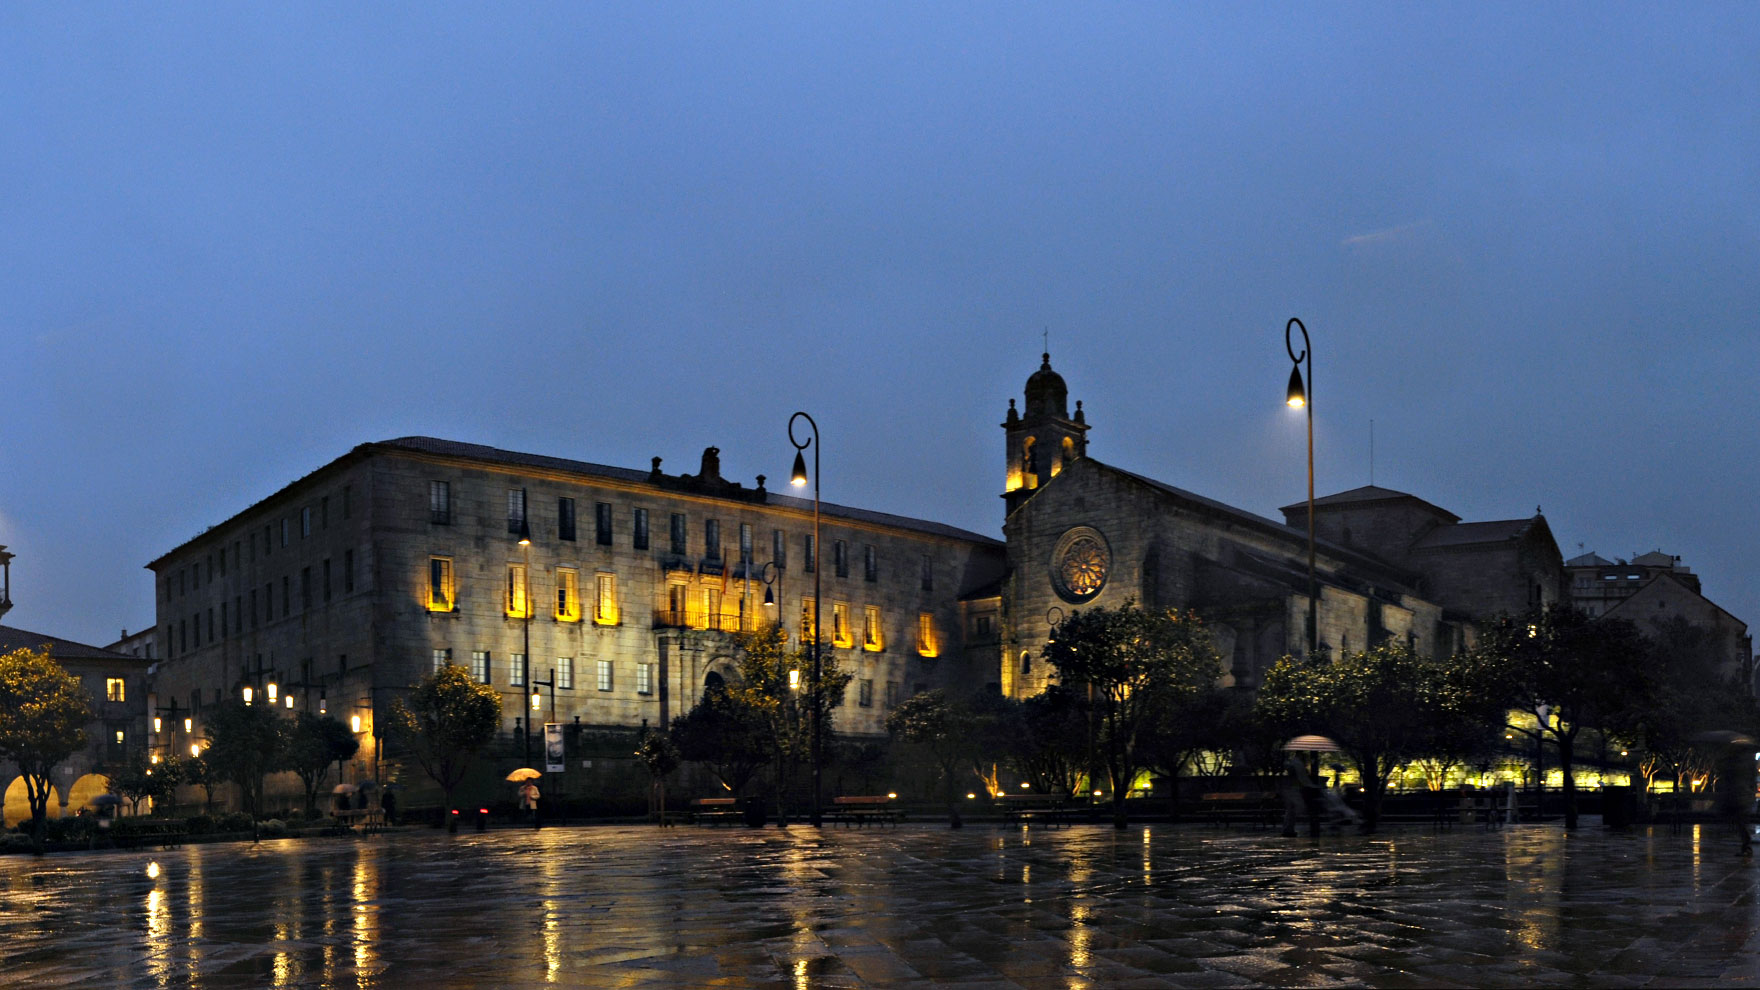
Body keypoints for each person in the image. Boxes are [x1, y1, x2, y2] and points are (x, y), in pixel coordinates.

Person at [1714, 744, 1755, 856]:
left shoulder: (1735, 764)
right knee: (1740, 822)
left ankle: (1746, 846)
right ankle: (1746, 846)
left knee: (1740, 823)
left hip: (1738, 797)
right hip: (1740, 797)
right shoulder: (1744, 763)